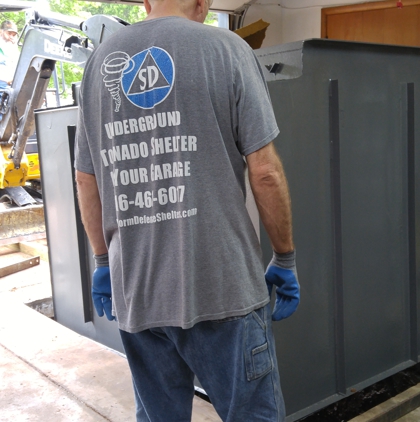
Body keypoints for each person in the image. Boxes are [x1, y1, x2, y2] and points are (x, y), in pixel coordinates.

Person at [74, 0, 299, 420]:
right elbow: (265, 172)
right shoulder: (227, 49)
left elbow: (86, 179)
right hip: (223, 288)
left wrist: (103, 260)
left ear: (146, 2)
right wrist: (284, 258)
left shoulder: (99, 62)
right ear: (202, 4)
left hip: (137, 293)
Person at [0, 20, 19, 90]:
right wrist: (6, 79)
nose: (11, 37)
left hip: (12, 86)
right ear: (1, 32)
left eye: (14, 35)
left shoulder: (14, 50)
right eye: (9, 33)